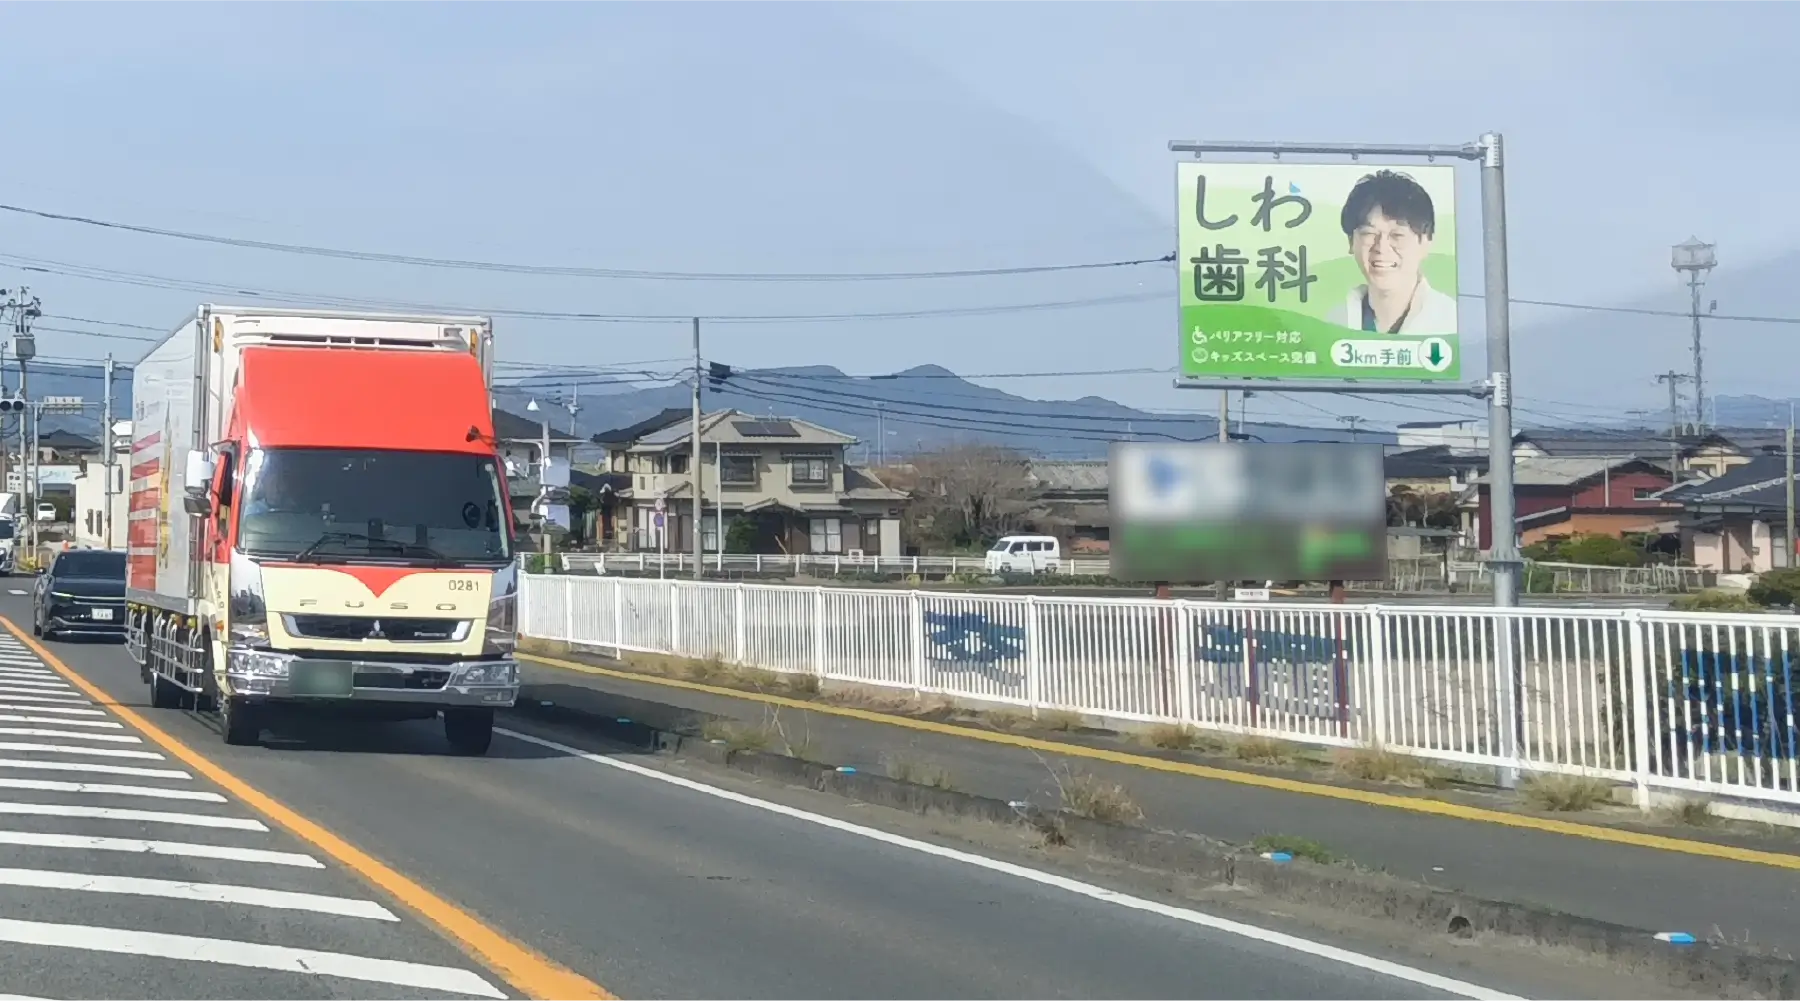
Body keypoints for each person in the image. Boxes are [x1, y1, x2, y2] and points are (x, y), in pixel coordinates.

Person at [1326, 170, 1458, 335]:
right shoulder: (1334, 323)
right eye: (1369, 233)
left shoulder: (1453, 323)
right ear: (1351, 242)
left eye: (1397, 235)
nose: (1381, 247)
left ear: (1425, 243)